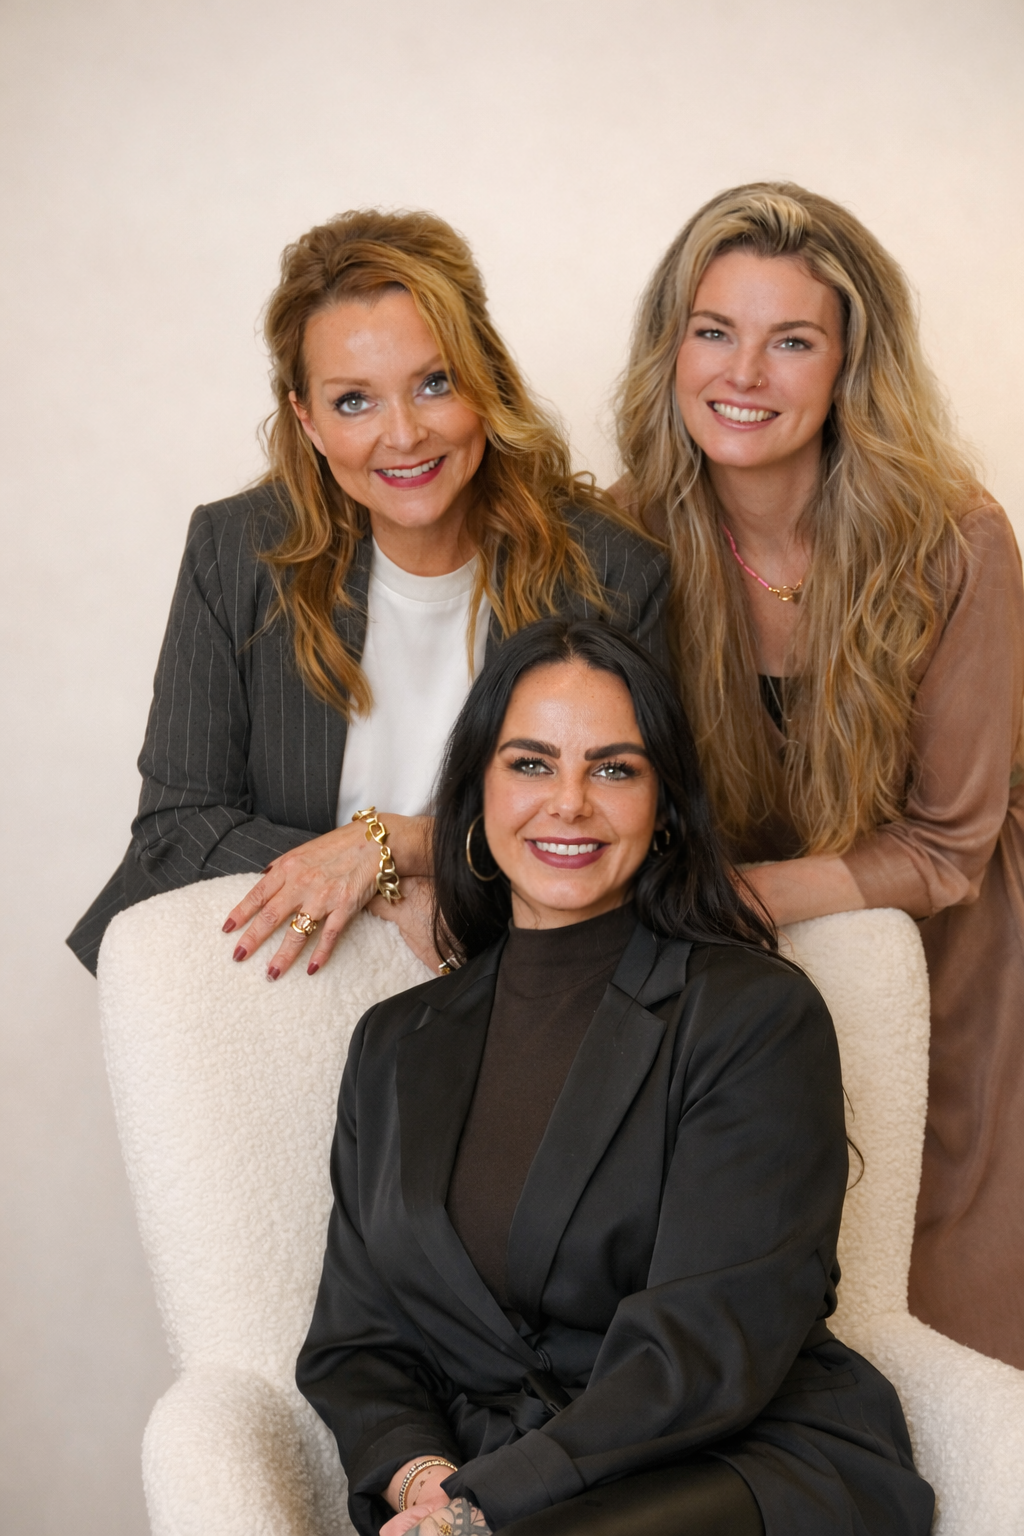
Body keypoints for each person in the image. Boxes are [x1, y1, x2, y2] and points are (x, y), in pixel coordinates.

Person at [297, 618, 933, 1536]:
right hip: (491, 1494)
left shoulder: (754, 1015)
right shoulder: (394, 1046)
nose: (569, 803)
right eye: (530, 764)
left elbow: (708, 1343)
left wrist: (486, 1503)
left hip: (742, 1465)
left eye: (613, 769)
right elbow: (358, 1343)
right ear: (476, 793)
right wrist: (426, 1485)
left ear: (664, 806)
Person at [612, 180, 1024, 1370]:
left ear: (849, 366)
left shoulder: (954, 542)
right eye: (714, 331)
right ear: (672, 347)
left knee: (948, 1322)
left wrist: (722, 899)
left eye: (791, 340)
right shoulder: (625, 538)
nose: (743, 373)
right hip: (736, 977)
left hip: (956, 959)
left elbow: (947, 846)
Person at [66, 209, 668, 978]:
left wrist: (402, 843)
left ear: (485, 380)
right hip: (280, 975)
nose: (405, 434)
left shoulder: (611, 571)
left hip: (504, 970)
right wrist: (385, 884)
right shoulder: (236, 551)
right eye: (355, 400)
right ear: (308, 420)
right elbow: (175, 830)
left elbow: (643, 829)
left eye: (435, 383)